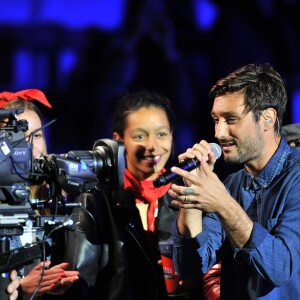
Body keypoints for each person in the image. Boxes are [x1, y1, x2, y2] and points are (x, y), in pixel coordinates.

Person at [168, 63, 300, 299]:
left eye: (231, 119)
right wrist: (192, 200)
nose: (219, 133)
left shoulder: (296, 178)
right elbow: (189, 268)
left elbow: (280, 268)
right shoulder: (231, 184)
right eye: (216, 120)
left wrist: (223, 204)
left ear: (268, 119)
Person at [57, 91, 202, 300]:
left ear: (172, 134)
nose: (152, 146)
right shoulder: (94, 198)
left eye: (161, 134)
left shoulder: (182, 195)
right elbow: (79, 283)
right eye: (139, 136)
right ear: (118, 140)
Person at [0, 89, 79, 299]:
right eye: (17, 136)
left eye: (36, 135)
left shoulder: (54, 194)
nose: (29, 146)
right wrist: (20, 287)